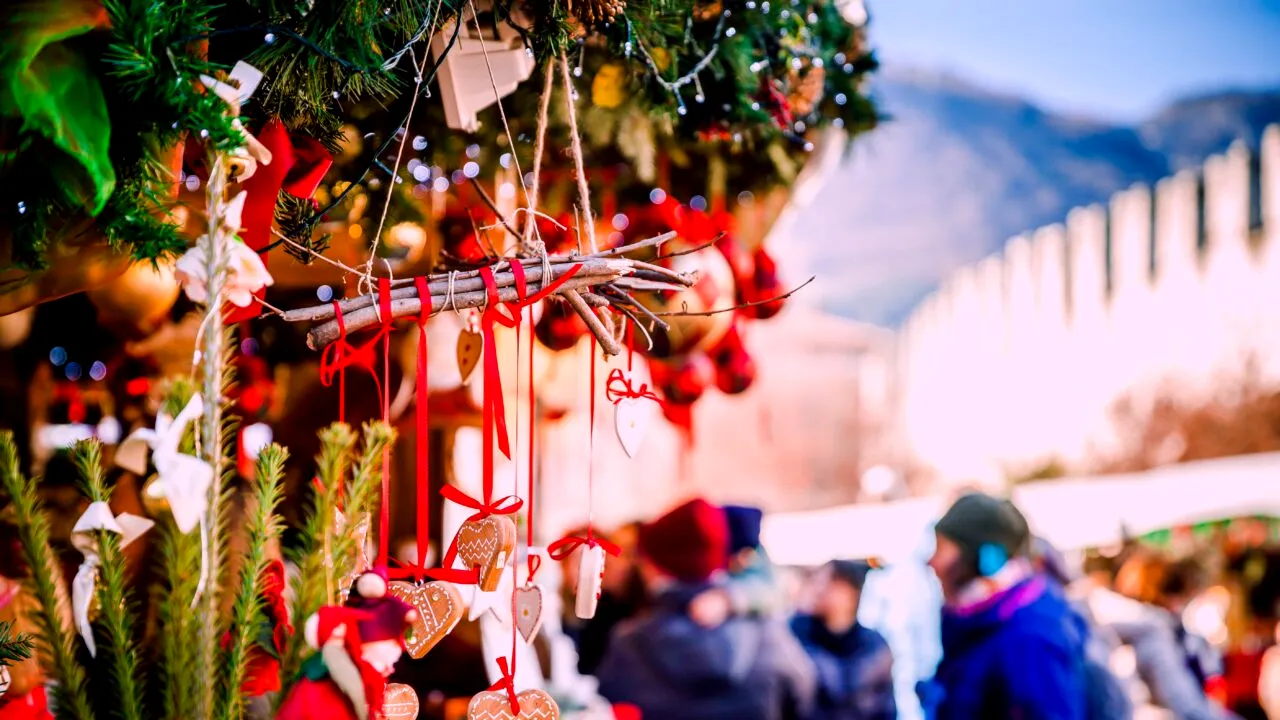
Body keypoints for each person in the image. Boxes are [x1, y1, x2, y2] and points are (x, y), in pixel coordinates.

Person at [595, 498, 817, 720]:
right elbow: (802, 697)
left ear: (654, 566)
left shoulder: (630, 644)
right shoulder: (768, 636)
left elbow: (606, 707)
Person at [917, 492, 1088, 719]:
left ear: (983, 559)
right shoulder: (980, 624)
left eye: (942, 548)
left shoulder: (1028, 641)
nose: (931, 561)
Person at [791, 560, 896, 720]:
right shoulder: (795, 634)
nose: (820, 589)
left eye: (830, 582)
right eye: (817, 581)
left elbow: (886, 708)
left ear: (852, 592)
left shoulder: (875, 647)